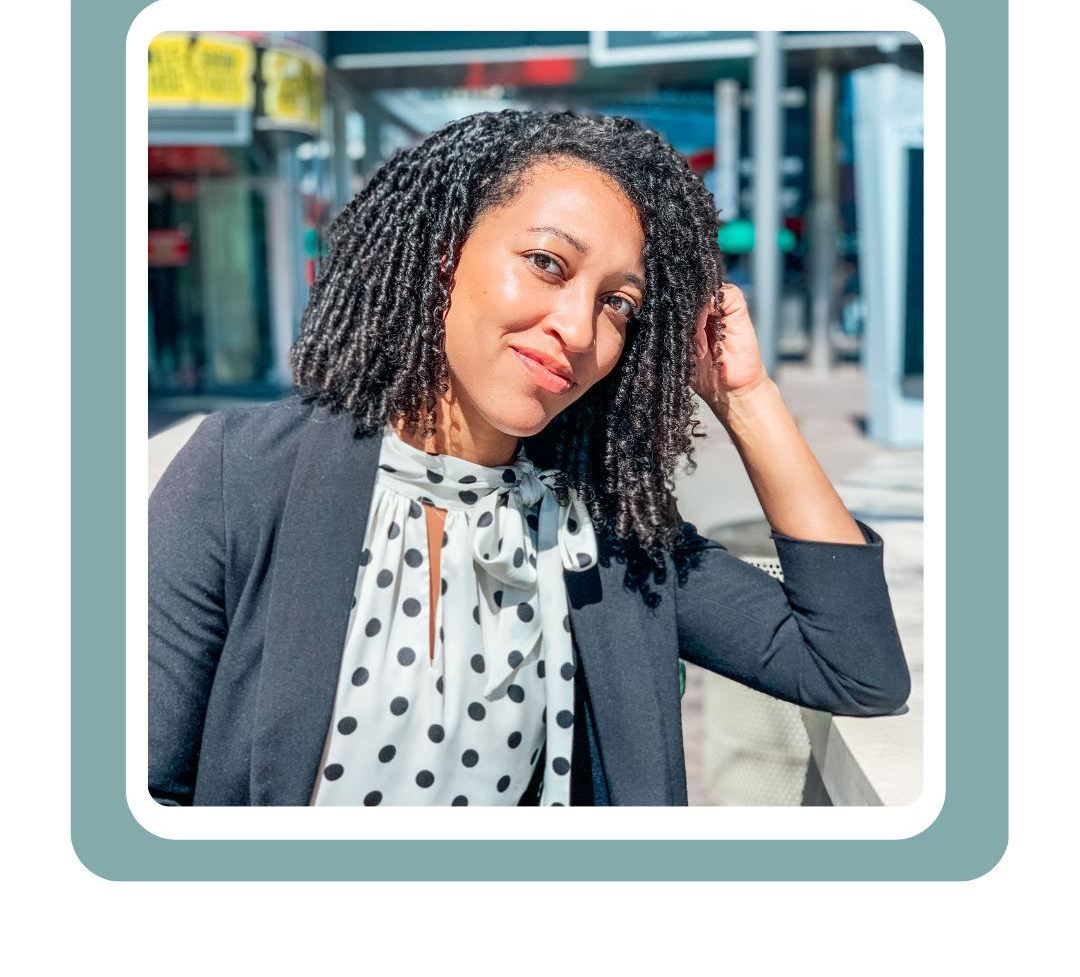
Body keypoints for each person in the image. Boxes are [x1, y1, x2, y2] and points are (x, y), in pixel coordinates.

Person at [149, 109, 909, 808]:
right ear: (443, 253)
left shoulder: (609, 537)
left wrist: (746, 397)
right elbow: (141, 797)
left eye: (620, 304)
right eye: (548, 263)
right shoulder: (244, 473)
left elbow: (853, 667)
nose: (579, 328)